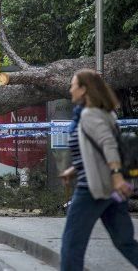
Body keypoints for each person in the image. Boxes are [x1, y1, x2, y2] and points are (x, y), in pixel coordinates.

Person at [59, 69, 138, 270]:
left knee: (71, 244)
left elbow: (109, 145)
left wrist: (117, 177)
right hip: (111, 190)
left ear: (84, 89)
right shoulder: (105, 113)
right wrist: (74, 169)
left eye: (73, 86)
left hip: (93, 190)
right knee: (124, 242)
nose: (70, 90)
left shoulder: (89, 114)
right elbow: (94, 153)